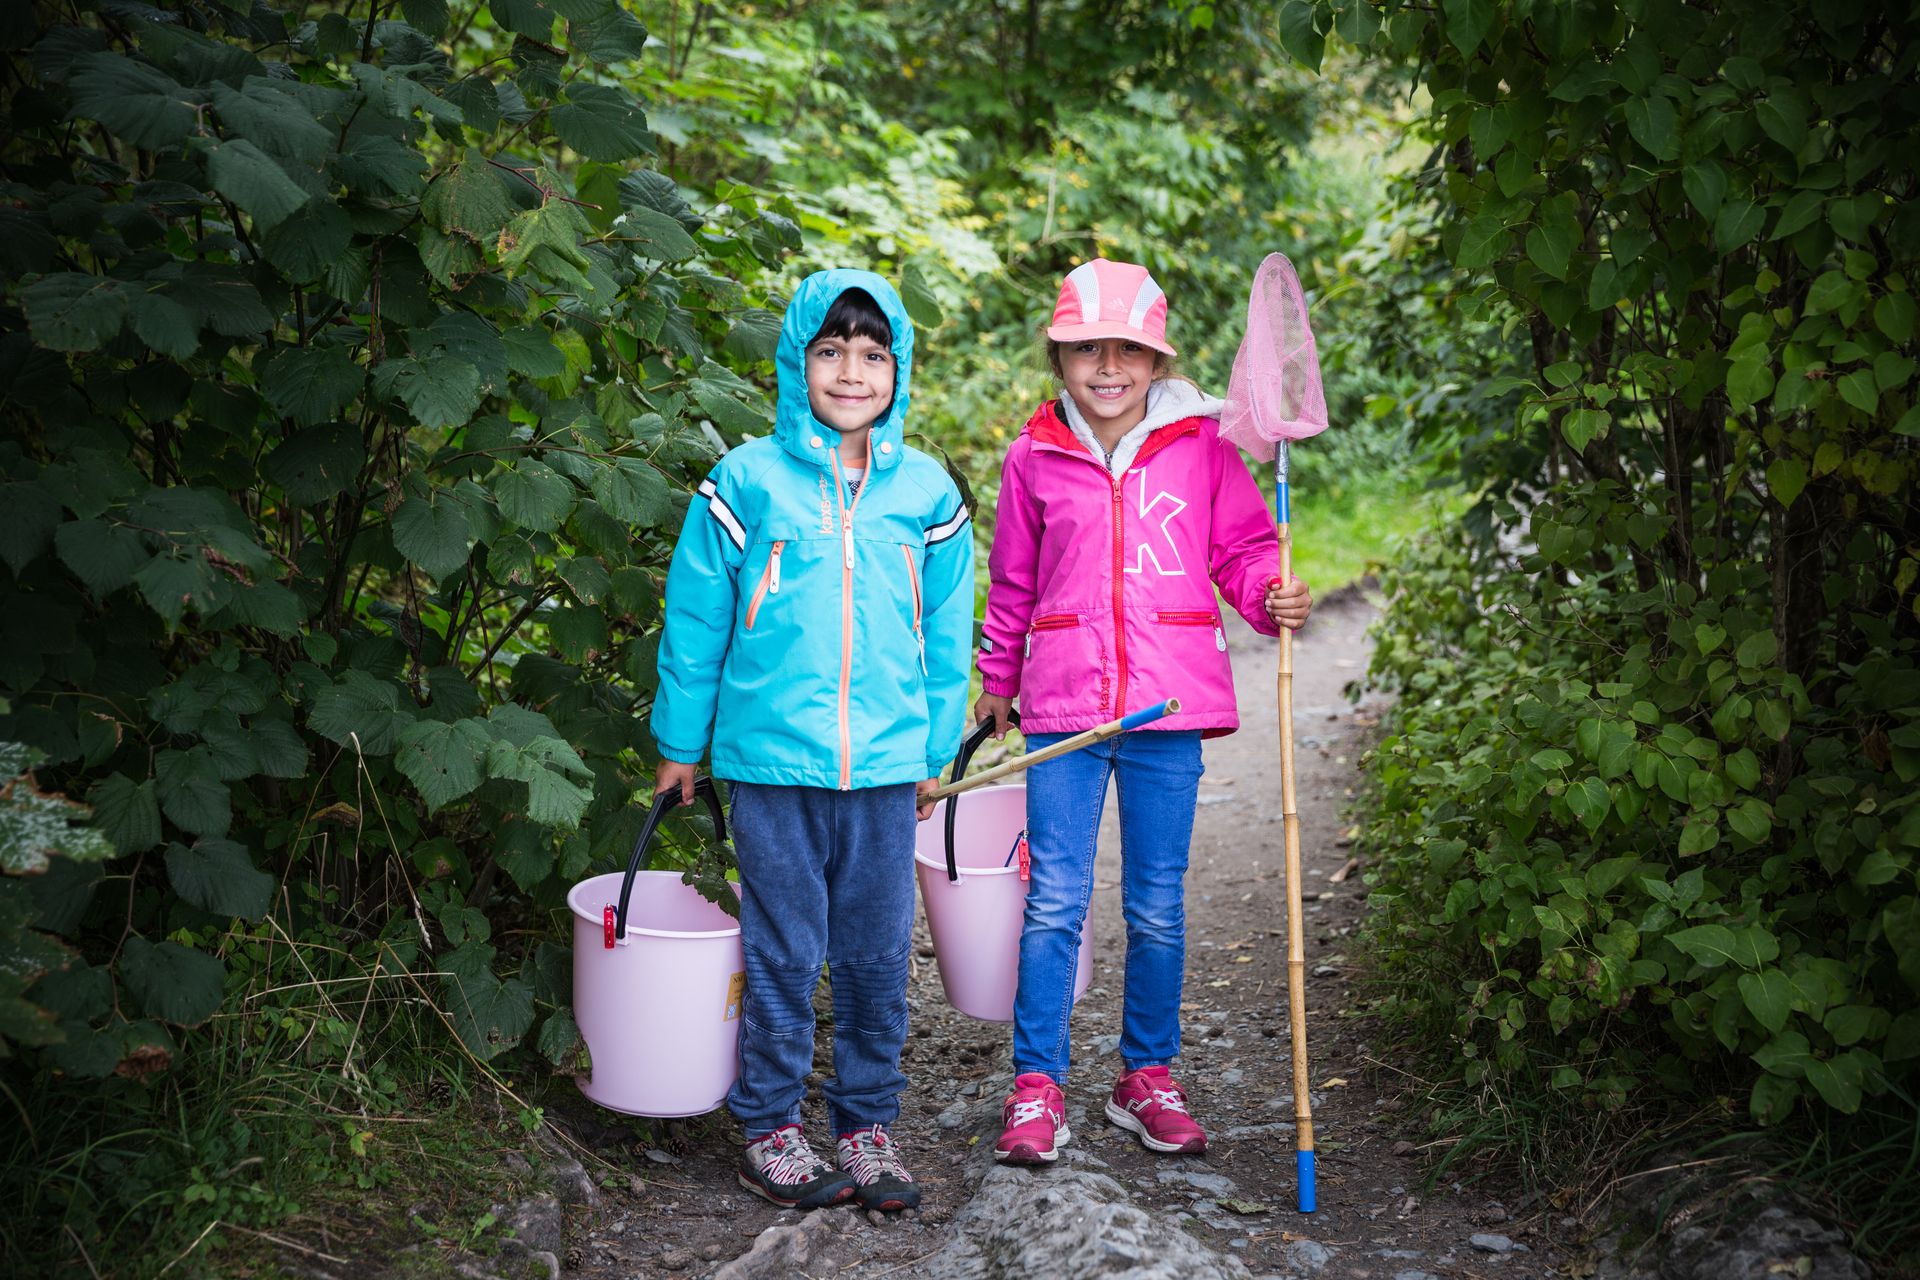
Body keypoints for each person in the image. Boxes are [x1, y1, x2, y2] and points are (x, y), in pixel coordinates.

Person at [974, 258, 1312, 1165]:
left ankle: (1145, 1076)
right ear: (1060, 357)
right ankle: (1037, 1085)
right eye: (1089, 351)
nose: (1109, 367)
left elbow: (1243, 548)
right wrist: (997, 680)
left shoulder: (1204, 447)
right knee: (1053, 902)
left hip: (1167, 704)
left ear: (1157, 361)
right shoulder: (1032, 456)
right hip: (1061, 709)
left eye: (1128, 350)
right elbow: (1012, 581)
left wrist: (1268, 593)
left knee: (1158, 906)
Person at [651, 270, 973, 1211]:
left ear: (898, 370)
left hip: (884, 768)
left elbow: (948, 632)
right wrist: (681, 742)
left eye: (873, 354)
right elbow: (696, 619)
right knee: (785, 948)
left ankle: (868, 1124)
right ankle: (771, 1127)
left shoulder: (924, 490)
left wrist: (933, 751)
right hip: (768, 763)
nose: (851, 371)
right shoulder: (746, 480)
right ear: (798, 363)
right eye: (830, 350)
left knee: (876, 951)